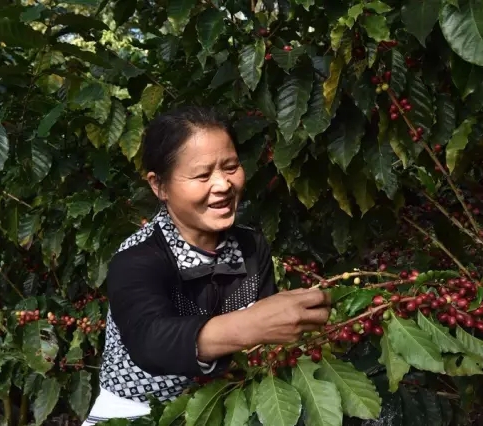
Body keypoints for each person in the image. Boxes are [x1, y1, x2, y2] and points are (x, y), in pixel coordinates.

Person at [82, 106, 331, 425]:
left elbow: (264, 348)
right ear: (159, 186)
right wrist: (251, 324)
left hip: (226, 406)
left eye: (230, 167)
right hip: (135, 413)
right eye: (202, 175)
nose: (223, 185)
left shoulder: (251, 246)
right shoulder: (137, 256)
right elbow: (151, 339)